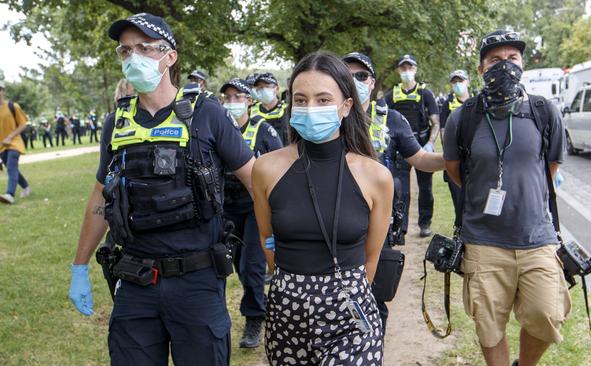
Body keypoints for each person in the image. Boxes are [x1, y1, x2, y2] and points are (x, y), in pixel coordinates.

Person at [67, 13, 255, 365]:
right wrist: (79, 266)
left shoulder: (207, 114)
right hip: (135, 279)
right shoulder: (115, 124)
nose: (134, 57)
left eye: (144, 48)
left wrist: (273, 243)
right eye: (125, 51)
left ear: (170, 56)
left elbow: (255, 180)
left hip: (197, 280)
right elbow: (100, 196)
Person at [253, 52, 392, 365]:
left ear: (346, 106)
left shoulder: (376, 177)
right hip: (286, 316)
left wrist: (338, 293)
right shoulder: (265, 169)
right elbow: (267, 239)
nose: (309, 109)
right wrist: (296, 286)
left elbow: (371, 257)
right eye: (300, 100)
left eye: (323, 99)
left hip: (350, 318)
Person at [443, 30, 571, 366]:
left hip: (538, 238)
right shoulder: (463, 118)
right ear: (481, 68)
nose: (505, 66)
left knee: (547, 315)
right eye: (496, 60)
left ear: (523, 63)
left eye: (512, 58)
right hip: (484, 241)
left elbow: (550, 169)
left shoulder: (545, 112)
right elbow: (456, 171)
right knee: (488, 325)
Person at [342, 51, 447, 333]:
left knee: (374, 295)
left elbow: (420, 159)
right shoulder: (325, 117)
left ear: (372, 82)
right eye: (347, 75)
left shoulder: (392, 119)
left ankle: (371, 351)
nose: (354, 81)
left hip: (377, 224)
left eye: (361, 76)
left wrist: (456, 160)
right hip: (331, 223)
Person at [219, 78, 282, 348]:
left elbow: (281, 165)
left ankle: (255, 318)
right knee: (228, 265)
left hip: (256, 205)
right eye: (228, 97)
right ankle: (257, 305)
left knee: (252, 266)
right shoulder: (219, 128)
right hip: (224, 205)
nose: (232, 102)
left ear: (249, 101)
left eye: (238, 97)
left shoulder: (263, 130)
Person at [384, 54, 441, 238]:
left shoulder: (425, 93)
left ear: (415, 69)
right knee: (401, 189)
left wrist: (431, 143)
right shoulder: (392, 95)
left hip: (422, 144)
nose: (407, 71)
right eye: (403, 68)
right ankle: (401, 227)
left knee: (425, 189)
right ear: (398, 71)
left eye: (410, 68)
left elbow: (436, 121)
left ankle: (425, 224)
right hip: (400, 148)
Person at [440, 69, 471, 219]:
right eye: (454, 82)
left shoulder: (478, 102)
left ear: (468, 82)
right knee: (459, 202)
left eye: (460, 81)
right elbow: (443, 131)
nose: (458, 84)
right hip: (455, 158)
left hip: (475, 159)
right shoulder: (447, 105)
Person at [0, 80, 31, 204]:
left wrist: (10, 137)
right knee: (12, 168)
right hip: (2, 147)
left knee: (11, 166)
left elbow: (23, 124)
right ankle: (26, 187)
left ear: (3, 91)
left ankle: (9, 194)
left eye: (0, 89)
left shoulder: (13, 106)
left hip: (15, 143)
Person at [251, 72, 289, 145]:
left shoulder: (287, 110)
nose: (263, 90)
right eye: (260, 88)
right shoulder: (251, 111)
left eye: (267, 86)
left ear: (277, 89)